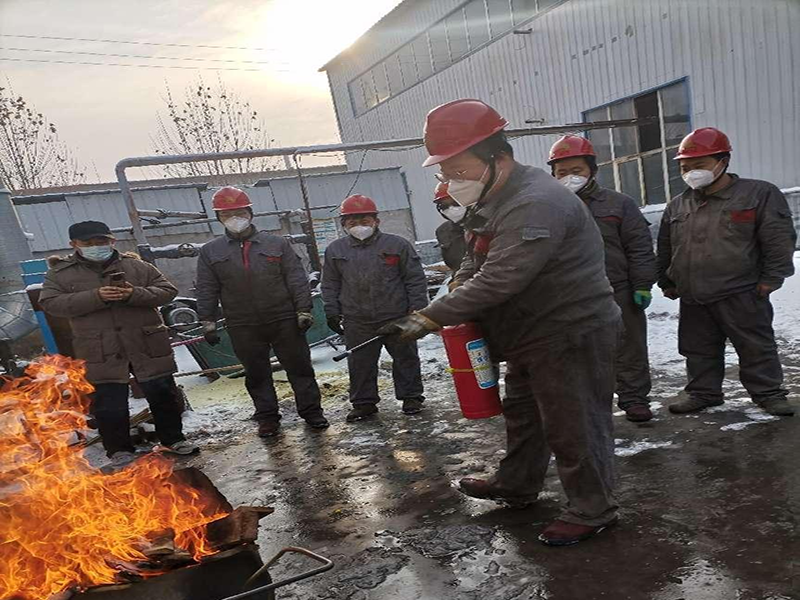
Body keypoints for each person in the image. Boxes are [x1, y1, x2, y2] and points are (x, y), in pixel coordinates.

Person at [380, 99, 622, 547]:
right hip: (529, 333)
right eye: (445, 173)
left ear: (499, 157)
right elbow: (476, 260)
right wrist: (455, 288)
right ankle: (517, 484)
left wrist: (428, 317)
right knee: (525, 415)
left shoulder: (536, 202)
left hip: (569, 330)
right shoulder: (492, 198)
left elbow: (502, 277)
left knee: (574, 424)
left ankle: (593, 508)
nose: (453, 182)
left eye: (460, 170)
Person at [657, 127, 796, 417]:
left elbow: (778, 238)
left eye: (699, 165)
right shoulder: (678, 204)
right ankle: (703, 393)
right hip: (694, 294)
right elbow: (667, 246)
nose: (691, 172)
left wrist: (772, 279)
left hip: (742, 290)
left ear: (723, 161)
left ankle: (768, 393)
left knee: (755, 346)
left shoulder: (758, 194)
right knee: (697, 349)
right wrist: (667, 280)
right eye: (685, 167)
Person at [39, 221, 197, 467]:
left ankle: (173, 439)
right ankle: (119, 451)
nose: (96, 247)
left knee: (163, 394)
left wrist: (134, 294)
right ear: (74, 245)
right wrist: (96, 296)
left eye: (101, 241)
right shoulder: (61, 274)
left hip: (145, 343)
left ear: (112, 241)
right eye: (88, 243)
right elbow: (50, 303)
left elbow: (167, 291)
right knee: (108, 403)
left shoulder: (136, 266)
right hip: (100, 349)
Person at [195, 186, 328, 437]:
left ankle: (312, 412)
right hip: (242, 323)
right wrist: (207, 320)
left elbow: (296, 279)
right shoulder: (211, 252)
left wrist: (303, 309)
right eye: (227, 214)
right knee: (256, 373)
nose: (234, 218)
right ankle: (267, 418)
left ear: (250, 213)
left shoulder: (277, 244)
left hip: (283, 318)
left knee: (299, 368)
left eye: (239, 212)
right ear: (218, 218)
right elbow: (206, 287)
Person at [548, 135, 657, 422]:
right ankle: (589, 406)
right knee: (578, 354)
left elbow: (639, 246)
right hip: (570, 296)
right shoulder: (547, 209)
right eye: (561, 173)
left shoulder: (620, 204)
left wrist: (643, 284)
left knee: (629, 349)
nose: (569, 178)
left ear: (592, 171)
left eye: (576, 171)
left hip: (616, 290)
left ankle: (634, 400)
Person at [321, 194, 429, 422]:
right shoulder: (335, 250)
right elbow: (330, 283)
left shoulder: (397, 245)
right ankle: (364, 403)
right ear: (343, 224)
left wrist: (417, 309)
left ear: (376, 221)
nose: (359, 225)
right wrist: (331, 310)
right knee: (360, 363)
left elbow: (415, 279)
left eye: (364, 220)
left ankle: (411, 397)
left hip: (396, 316)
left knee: (405, 358)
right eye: (352, 221)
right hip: (357, 319)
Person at [433, 182, 468, 272]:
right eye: (444, 206)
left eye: (456, 203)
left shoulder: (486, 224)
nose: (451, 209)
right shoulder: (443, 231)